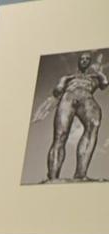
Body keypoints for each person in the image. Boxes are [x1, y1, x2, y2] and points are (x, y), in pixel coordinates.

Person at [42, 51, 106, 182]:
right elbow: (58, 90)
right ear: (79, 61)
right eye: (82, 58)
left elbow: (104, 84)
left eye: (87, 59)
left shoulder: (94, 78)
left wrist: (100, 73)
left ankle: (81, 174)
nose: (84, 61)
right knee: (60, 135)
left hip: (87, 97)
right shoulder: (68, 77)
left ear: (89, 62)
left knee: (94, 125)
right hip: (69, 97)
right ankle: (53, 176)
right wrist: (61, 87)